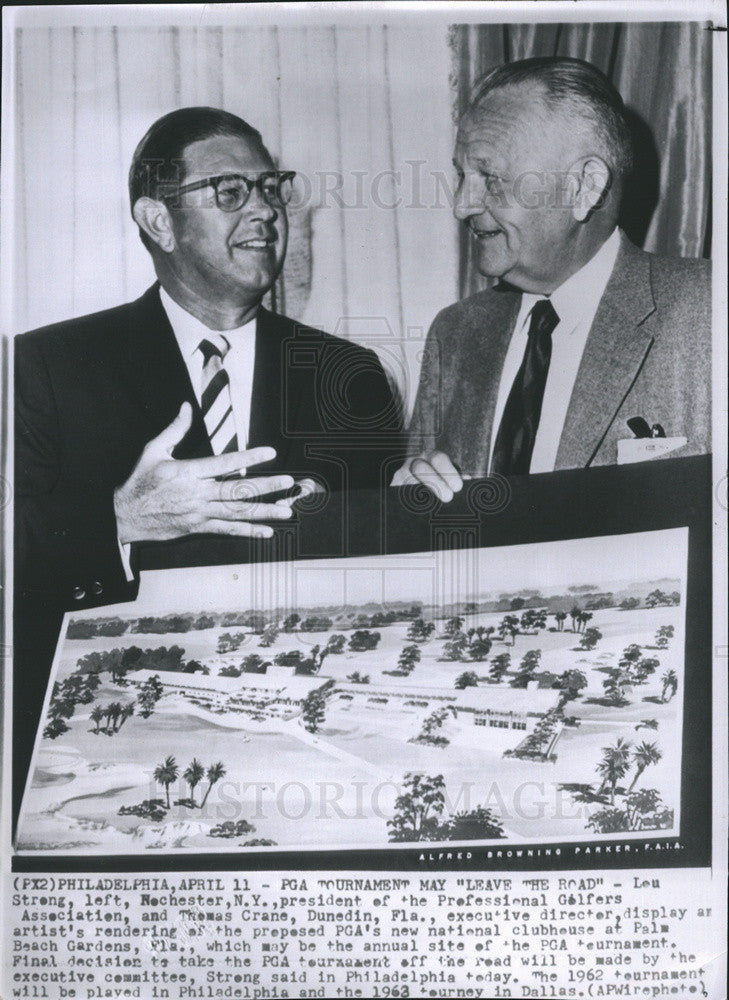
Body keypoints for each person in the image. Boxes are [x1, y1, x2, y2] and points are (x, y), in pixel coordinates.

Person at [15, 107, 403, 612]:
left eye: (270, 188)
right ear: (160, 222)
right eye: (230, 192)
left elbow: (381, 562)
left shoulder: (349, 375)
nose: (265, 210)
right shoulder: (46, 367)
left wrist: (406, 505)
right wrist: (120, 520)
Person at [393, 56, 711, 501]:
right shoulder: (456, 334)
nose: (462, 205)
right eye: (462, 175)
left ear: (586, 187)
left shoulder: (708, 312)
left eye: (490, 177)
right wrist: (405, 505)